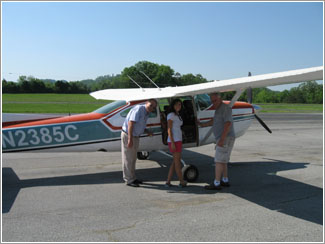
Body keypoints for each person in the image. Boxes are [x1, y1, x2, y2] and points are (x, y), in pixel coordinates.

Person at [198, 92, 235, 190]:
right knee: (223, 161)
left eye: (215, 100)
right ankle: (225, 180)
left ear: (220, 99)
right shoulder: (218, 109)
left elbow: (228, 124)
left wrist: (222, 139)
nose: (213, 103)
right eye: (212, 101)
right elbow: (214, 121)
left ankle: (217, 183)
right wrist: (202, 124)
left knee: (218, 161)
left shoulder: (225, 108)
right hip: (225, 138)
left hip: (225, 138)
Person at [121, 99, 157, 187]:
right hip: (129, 135)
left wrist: (147, 131)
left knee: (133, 158)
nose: (152, 108)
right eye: (151, 105)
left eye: (154, 107)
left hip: (136, 136)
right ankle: (129, 180)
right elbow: (131, 123)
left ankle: (133, 178)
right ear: (146, 103)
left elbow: (139, 125)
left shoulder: (146, 113)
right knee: (128, 158)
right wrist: (130, 139)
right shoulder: (139, 109)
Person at [165, 99, 187, 188]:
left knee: (175, 162)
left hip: (178, 140)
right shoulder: (171, 115)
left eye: (180, 105)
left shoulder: (177, 115)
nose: (179, 106)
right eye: (177, 104)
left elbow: (177, 128)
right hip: (174, 141)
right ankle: (181, 182)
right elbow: (169, 129)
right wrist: (173, 142)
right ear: (173, 105)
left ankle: (168, 181)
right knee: (177, 162)